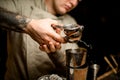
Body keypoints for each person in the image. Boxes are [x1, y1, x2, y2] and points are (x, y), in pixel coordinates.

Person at [0, 0, 81, 80]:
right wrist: (28, 25)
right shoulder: (20, 3)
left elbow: (74, 72)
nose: (73, 3)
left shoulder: (71, 22)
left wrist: (55, 53)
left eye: (78, 0)